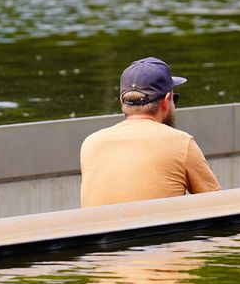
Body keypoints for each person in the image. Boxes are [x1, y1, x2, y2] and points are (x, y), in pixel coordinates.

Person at [80, 57, 221, 208]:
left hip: (95, 231)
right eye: (175, 99)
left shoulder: (90, 144)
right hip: (156, 231)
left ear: (122, 102)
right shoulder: (180, 142)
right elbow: (218, 208)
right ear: (166, 101)